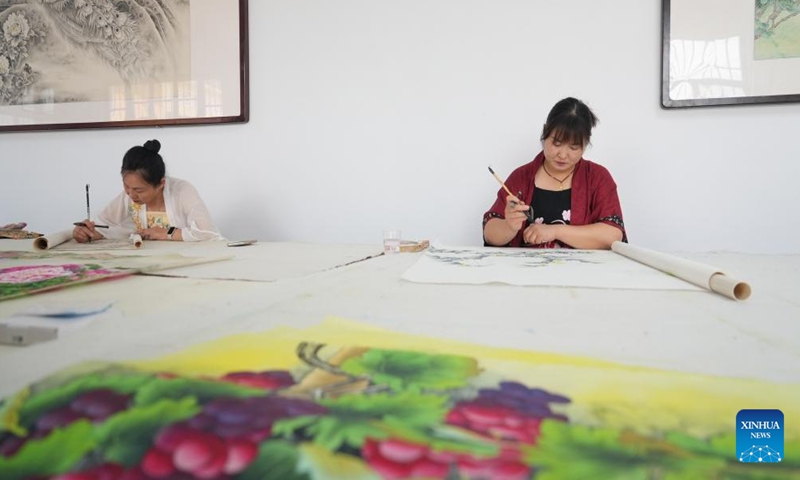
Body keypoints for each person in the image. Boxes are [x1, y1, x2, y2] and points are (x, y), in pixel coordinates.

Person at [483, 97, 626, 250]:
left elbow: (613, 235)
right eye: (556, 143)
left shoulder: (598, 178)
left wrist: (554, 231)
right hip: (527, 272)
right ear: (545, 132)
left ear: (585, 144)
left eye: (573, 147)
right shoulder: (522, 177)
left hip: (582, 273)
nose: (563, 155)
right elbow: (490, 233)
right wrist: (509, 225)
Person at [72, 140, 223, 243]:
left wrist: (166, 233)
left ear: (160, 184)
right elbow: (105, 224)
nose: (131, 195)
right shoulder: (129, 196)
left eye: (138, 189)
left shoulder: (182, 191)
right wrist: (87, 232)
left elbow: (207, 232)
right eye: (126, 186)